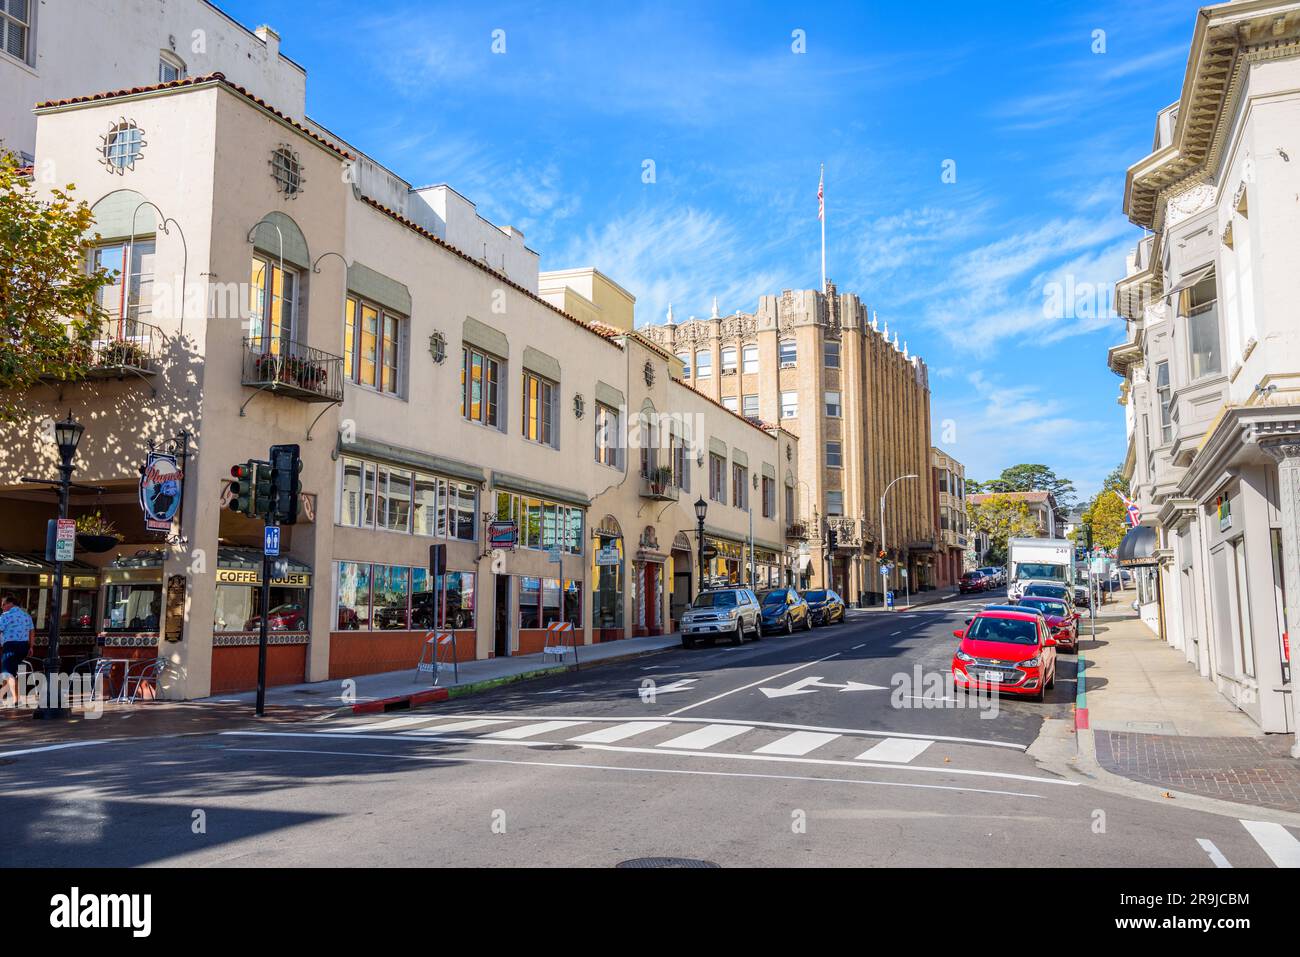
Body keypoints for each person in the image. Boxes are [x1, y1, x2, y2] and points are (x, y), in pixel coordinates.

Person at [0, 593, 35, 707]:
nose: (2, 607)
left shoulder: (5, 616)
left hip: (11, 646)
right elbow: (31, 632)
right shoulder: (26, 616)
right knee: (8, 671)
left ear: (10, 604)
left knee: (8, 672)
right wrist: (31, 647)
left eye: (3, 604)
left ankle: (16, 700)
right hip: (23, 646)